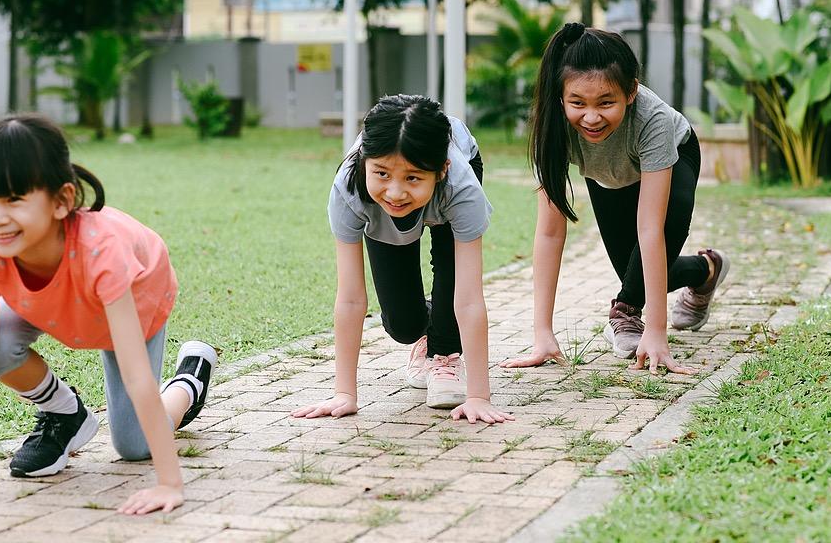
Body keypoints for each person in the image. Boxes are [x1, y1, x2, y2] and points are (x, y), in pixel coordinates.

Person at [0, 114, 218, 515]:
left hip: (134, 298)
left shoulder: (102, 253)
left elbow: (136, 374)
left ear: (61, 201)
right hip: (56, 303)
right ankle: (65, 412)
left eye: (14, 200)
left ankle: (189, 379)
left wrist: (169, 484)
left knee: (133, 446)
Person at [501, 23, 730, 374]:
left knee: (651, 252)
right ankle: (706, 269)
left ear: (631, 91)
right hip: (606, 174)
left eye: (606, 102)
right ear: (561, 96)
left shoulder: (652, 120)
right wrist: (542, 333)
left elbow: (650, 229)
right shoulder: (552, 127)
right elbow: (549, 232)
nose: (591, 117)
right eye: (577, 102)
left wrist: (657, 332)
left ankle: (624, 312)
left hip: (675, 156)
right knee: (634, 271)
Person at [292, 95, 513, 424]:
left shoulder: (460, 188)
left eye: (411, 178)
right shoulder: (349, 191)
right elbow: (351, 298)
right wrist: (345, 394)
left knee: (451, 280)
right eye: (382, 174)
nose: (395, 192)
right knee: (402, 324)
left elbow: (468, 298)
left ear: (441, 171)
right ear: (366, 162)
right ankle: (427, 334)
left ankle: (445, 353)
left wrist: (479, 397)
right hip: (382, 189)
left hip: (448, 185)